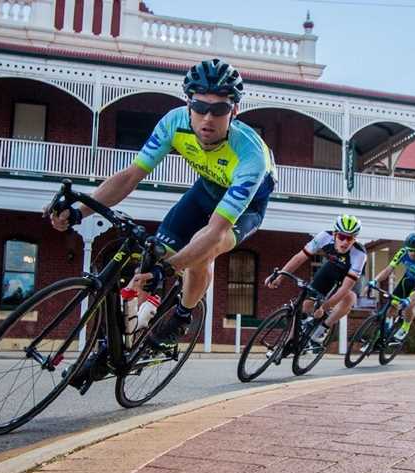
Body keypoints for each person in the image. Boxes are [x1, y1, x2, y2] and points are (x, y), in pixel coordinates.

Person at [48, 58, 276, 349]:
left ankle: (182, 316)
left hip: (248, 208)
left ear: (234, 111)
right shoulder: (174, 122)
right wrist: (80, 213)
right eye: (199, 107)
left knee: (203, 248)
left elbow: (216, 231)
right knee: (153, 251)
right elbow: (131, 176)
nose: (207, 118)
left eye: (218, 109)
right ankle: (131, 336)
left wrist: (170, 268)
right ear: (188, 104)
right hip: (206, 190)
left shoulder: (250, 155)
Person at [267, 215, 366, 344]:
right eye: (342, 237)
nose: (345, 242)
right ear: (335, 234)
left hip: (349, 276)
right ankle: (290, 341)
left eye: (350, 238)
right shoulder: (324, 236)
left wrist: (324, 308)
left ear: (355, 239)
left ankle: (324, 328)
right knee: (305, 304)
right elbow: (300, 257)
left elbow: (345, 287)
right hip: (331, 268)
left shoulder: (359, 254)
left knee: (350, 298)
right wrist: (281, 276)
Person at [367, 233, 415, 341]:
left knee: (409, 306)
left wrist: (409, 299)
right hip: (407, 280)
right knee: (393, 305)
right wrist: (375, 280)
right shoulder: (402, 252)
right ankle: (384, 331)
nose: (412, 253)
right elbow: (388, 269)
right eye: (410, 250)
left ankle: (405, 327)